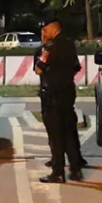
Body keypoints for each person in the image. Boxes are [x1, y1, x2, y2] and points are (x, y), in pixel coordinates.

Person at [35, 18, 84, 183]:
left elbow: (38, 69)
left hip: (53, 96)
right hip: (68, 93)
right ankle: (75, 170)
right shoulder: (70, 45)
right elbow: (76, 67)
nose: (44, 33)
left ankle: (58, 172)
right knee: (69, 133)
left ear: (54, 29)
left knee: (56, 135)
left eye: (46, 30)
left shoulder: (49, 48)